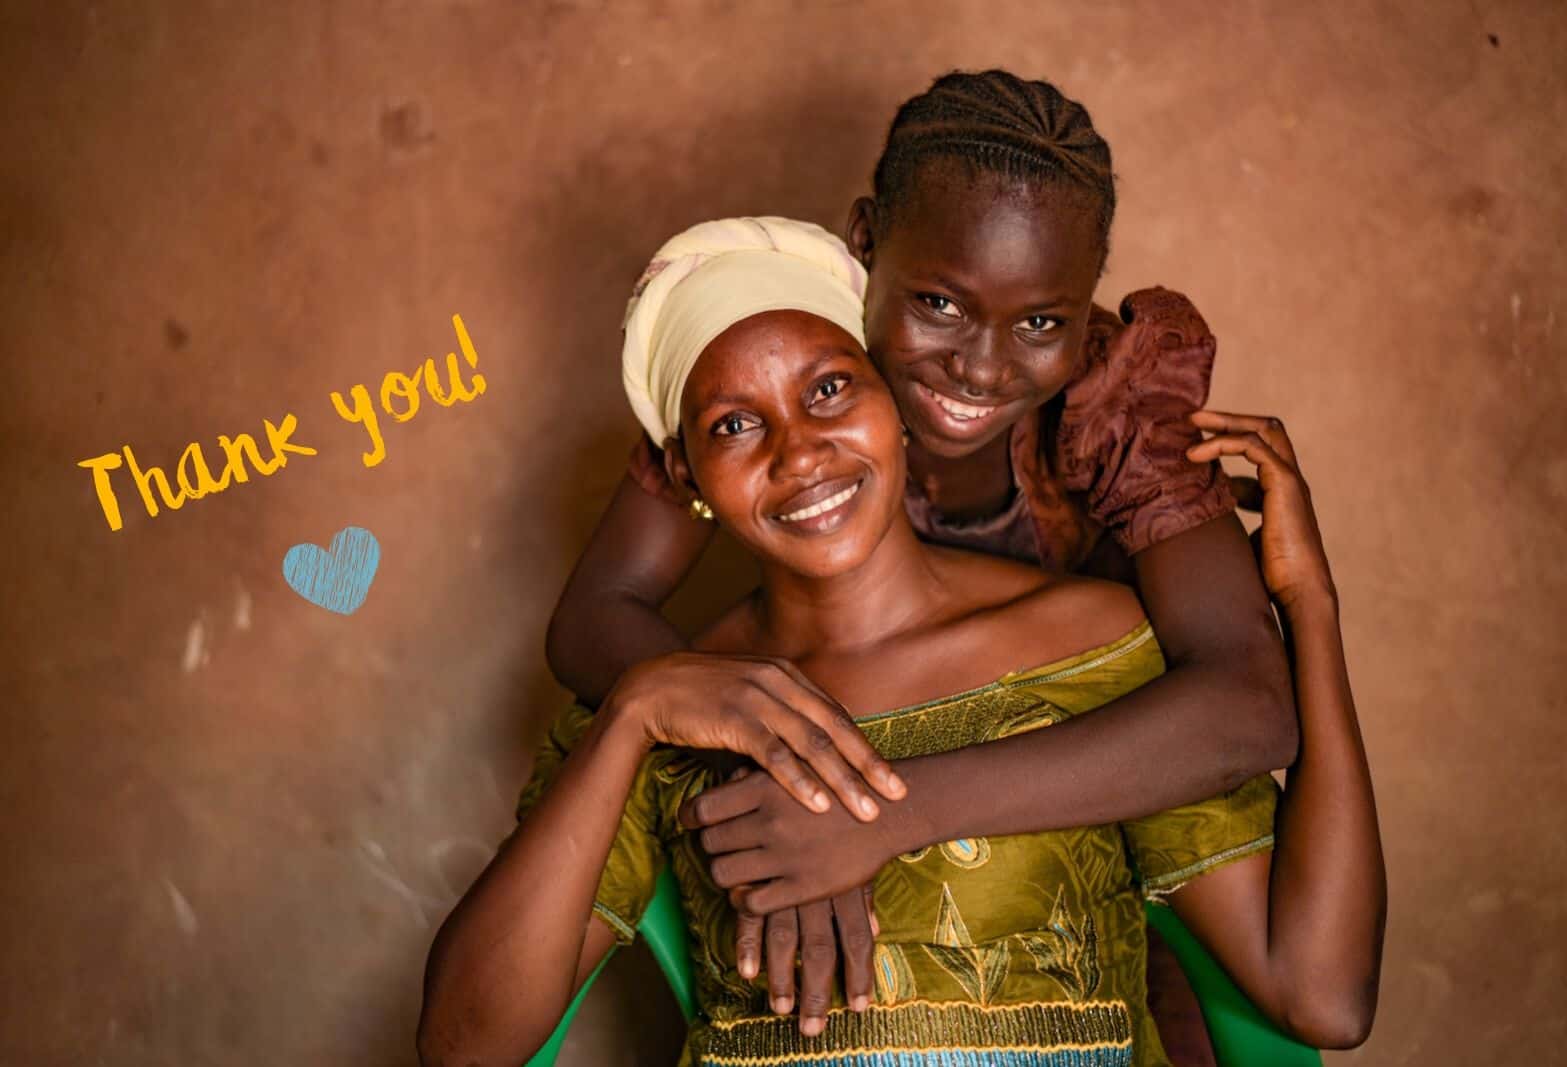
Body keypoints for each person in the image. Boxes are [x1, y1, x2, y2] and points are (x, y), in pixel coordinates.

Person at [416, 220, 1384, 1067]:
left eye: (831, 387)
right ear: (690, 473)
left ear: (901, 408)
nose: (798, 452)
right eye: (734, 424)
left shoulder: (1093, 649)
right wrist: (633, 711)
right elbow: (466, 1044)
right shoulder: (680, 709)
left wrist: (1309, 604)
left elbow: (1321, 994)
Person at [544, 72, 1299, 1059]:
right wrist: (782, 751)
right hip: (839, 909)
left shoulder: (1119, 402)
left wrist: (879, 810)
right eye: (938, 303)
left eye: (1039, 322)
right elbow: (595, 612)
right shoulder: (787, 349)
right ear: (862, 250)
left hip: (1096, 840)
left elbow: (1246, 701)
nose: (981, 370)